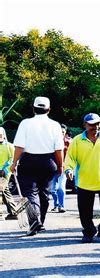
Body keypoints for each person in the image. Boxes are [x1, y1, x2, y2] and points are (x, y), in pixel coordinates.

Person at [10, 96, 64, 236]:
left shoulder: (25, 123)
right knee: (44, 193)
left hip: (29, 161)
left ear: (33, 108)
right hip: (48, 161)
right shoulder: (55, 125)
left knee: (30, 194)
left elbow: (19, 146)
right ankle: (40, 221)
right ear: (49, 109)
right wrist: (61, 165)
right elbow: (59, 149)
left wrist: (14, 162)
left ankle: (35, 222)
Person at [65, 113, 100, 243]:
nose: (96, 127)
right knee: (85, 210)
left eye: (98, 124)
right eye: (92, 124)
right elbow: (70, 157)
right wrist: (69, 169)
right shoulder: (77, 140)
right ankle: (88, 231)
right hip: (84, 181)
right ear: (85, 125)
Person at [50, 124, 71, 213]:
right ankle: (56, 204)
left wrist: (69, 168)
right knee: (52, 189)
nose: (61, 133)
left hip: (63, 168)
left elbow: (71, 156)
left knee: (61, 188)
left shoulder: (68, 142)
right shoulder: (51, 142)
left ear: (65, 133)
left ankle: (61, 206)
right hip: (53, 169)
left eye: (63, 132)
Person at [0, 127, 17, 220]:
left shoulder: (9, 146)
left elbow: (13, 159)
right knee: (5, 191)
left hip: (5, 171)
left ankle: (2, 214)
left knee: (1, 189)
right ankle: (13, 212)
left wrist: (4, 169)